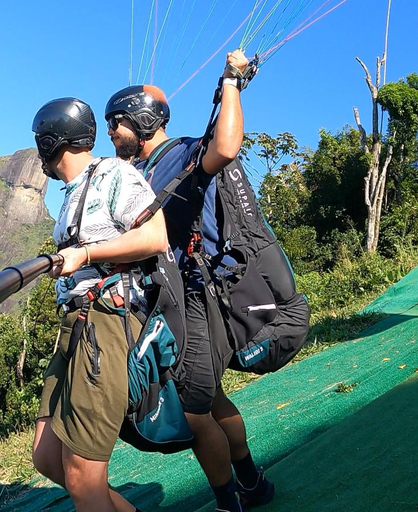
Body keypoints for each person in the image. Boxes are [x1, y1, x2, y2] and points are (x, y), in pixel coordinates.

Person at [105, 51, 273, 512]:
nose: (110, 132)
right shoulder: (134, 173)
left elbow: (224, 148)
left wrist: (231, 83)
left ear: (139, 119)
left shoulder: (180, 153)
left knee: (195, 411)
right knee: (212, 401)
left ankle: (228, 503)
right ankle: (253, 483)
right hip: (170, 299)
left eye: (116, 122)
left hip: (195, 299)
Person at [30, 97, 168, 512]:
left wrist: (86, 254)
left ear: (53, 141)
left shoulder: (113, 173)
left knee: (82, 474)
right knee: (48, 457)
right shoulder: (72, 193)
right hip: (75, 325)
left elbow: (155, 237)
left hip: (106, 322)